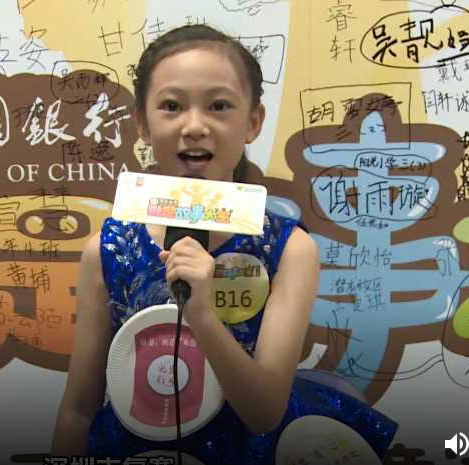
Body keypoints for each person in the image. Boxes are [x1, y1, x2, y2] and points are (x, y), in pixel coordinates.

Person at [52, 24, 398, 463]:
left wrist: (201, 313)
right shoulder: (107, 250)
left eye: (219, 106)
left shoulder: (289, 250)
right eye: (172, 106)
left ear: (253, 122)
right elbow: (78, 409)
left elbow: (263, 413)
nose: (195, 126)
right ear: (142, 123)